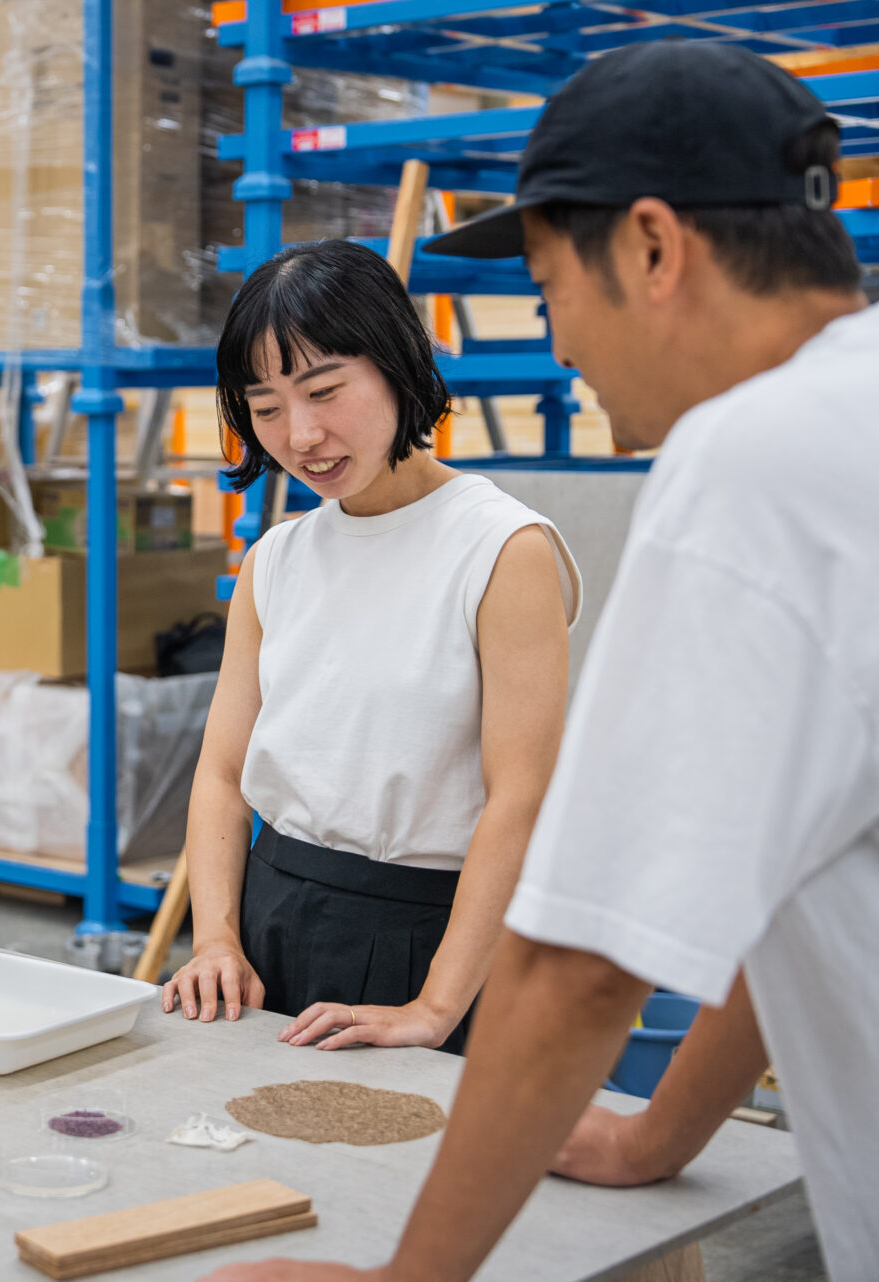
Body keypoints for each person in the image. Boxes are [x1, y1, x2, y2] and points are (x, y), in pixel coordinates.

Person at [207, 41, 876, 1282]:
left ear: (655, 248)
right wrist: (659, 1136)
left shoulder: (758, 465)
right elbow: (795, 874)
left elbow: (581, 963)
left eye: (553, 289)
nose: (560, 346)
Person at [161, 239, 580, 1054]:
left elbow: (521, 799)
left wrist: (435, 1006)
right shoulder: (276, 559)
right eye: (266, 406)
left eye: (325, 391)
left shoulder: (502, 548)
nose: (302, 434)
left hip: (431, 938)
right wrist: (214, 940)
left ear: (395, 364)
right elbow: (221, 775)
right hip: (268, 919)